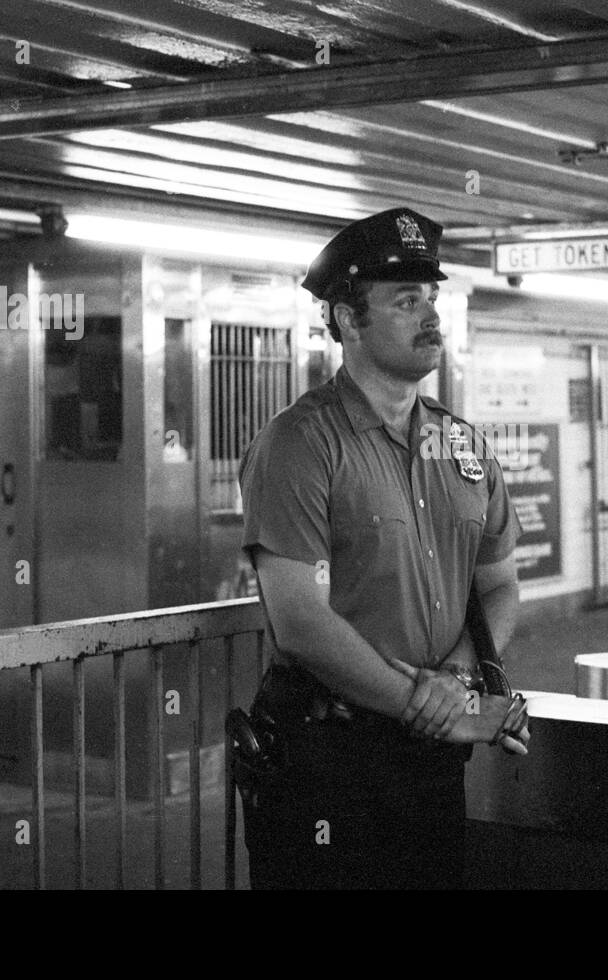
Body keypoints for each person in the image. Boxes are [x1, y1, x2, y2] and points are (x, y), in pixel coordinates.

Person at [237, 206, 528, 889]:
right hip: (328, 758)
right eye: (405, 301)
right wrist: (419, 702)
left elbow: (500, 586)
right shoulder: (301, 445)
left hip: (430, 754)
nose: (432, 318)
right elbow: (300, 623)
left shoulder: (465, 446)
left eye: (432, 298)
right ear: (347, 320)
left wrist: (454, 680)